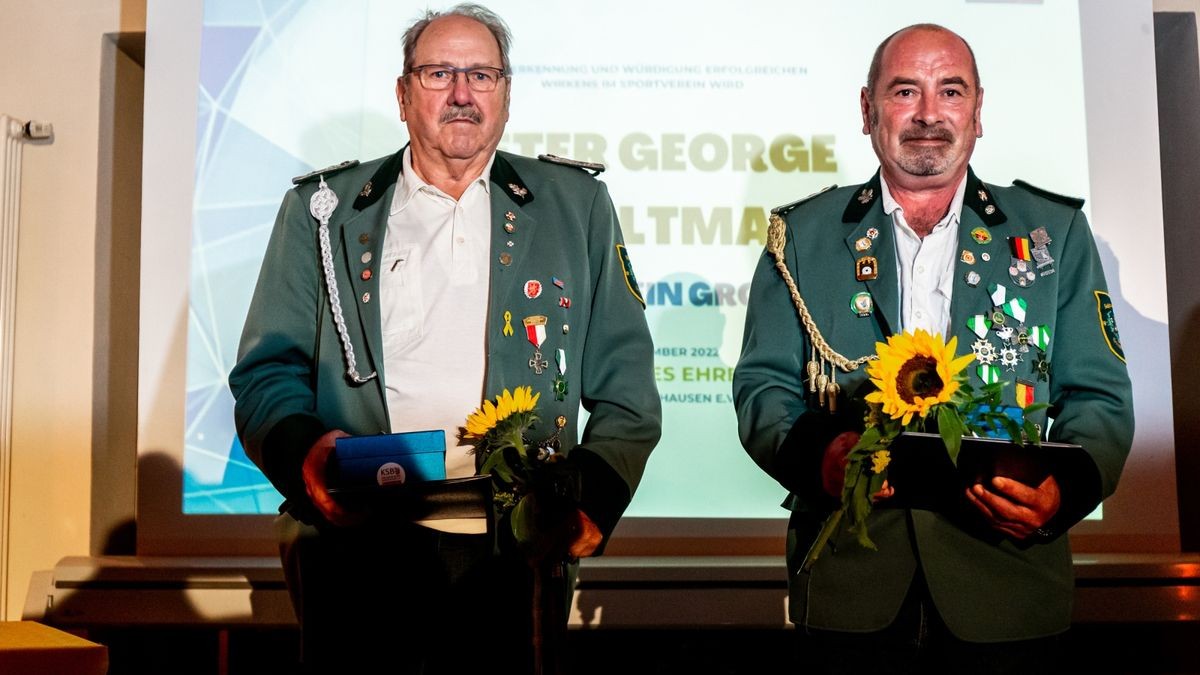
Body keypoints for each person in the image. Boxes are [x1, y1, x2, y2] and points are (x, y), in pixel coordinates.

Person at [228, 4, 661, 673]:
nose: (462, 93)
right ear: (403, 95)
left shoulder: (574, 205)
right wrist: (305, 452)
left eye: (482, 75)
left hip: (512, 550)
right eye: (439, 74)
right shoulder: (324, 211)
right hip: (358, 542)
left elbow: (627, 382)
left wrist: (595, 502)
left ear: (506, 95)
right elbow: (266, 374)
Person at [732, 23, 1133, 673]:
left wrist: (1063, 488)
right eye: (903, 92)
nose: (927, 115)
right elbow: (763, 388)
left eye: (950, 91)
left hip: (1008, 586)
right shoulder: (800, 235)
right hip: (850, 592)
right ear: (867, 111)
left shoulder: (1052, 231)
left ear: (978, 112)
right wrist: (819, 457)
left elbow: (1100, 396)